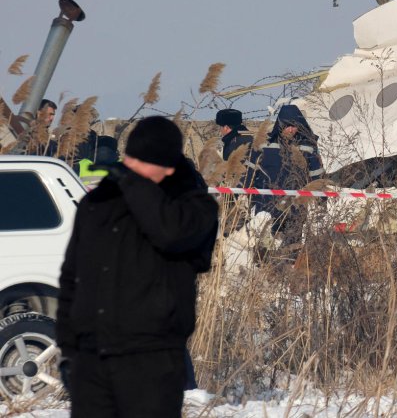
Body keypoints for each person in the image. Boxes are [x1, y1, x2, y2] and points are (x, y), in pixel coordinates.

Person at [55, 116, 218, 417]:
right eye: (133, 160)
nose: (133, 168)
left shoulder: (192, 207)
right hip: (92, 359)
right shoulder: (99, 205)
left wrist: (133, 182)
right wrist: (69, 351)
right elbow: (72, 278)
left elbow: (170, 234)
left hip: (151, 359)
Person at [250, 105, 324, 257]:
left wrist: (322, 202)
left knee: (291, 249)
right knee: (264, 251)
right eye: (287, 126)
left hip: (295, 208)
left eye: (294, 126)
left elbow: (317, 176)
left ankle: (289, 275)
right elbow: (250, 174)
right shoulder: (264, 145)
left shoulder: (307, 147)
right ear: (280, 125)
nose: (291, 130)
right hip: (266, 209)